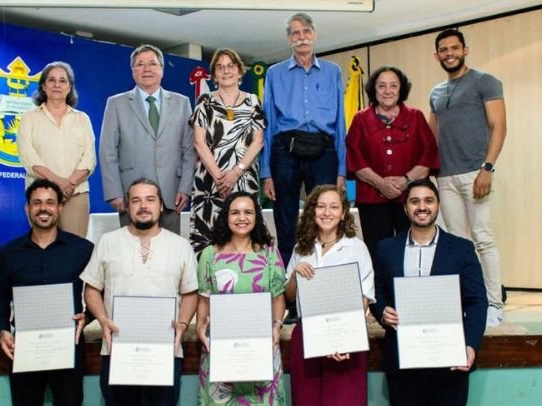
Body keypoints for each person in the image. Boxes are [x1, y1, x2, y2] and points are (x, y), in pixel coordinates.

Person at [370, 178, 488, 406]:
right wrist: (382, 311)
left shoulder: (462, 249)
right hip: (403, 361)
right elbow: (377, 292)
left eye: (428, 201)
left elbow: (477, 301)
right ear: (405, 208)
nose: (422, 207)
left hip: (450, 361)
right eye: (414, 201)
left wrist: (470, 345)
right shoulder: (386, 248)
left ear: (438, 205)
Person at [81, 177, 198, 406]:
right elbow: (91, 289)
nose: (143, 206)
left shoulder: (180, 246)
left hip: (165, 351)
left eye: (150, 200)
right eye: (136, 200)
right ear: (127, 206)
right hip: (117, 350)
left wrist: (183, 324)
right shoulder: (108, 242)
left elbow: (190, 293)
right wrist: (102, 319)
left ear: (161, 205)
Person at [0, 178, 95, 406]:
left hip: (68, 345)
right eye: (37, 203)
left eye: (50, 202)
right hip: (25, 347)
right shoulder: (10, 253)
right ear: (27, 208)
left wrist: (88, 316)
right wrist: (3, 329)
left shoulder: (83, 249)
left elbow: (100, 293)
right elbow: (0, 296)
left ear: (60, 207)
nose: (43, 208)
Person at [427, 28, 508, 327]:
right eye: (443, 50)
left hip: (476, 172)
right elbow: (432, 137)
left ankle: (494, 304)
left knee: (483, 239)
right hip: (445, 177)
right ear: (436, 55)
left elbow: (499, 126)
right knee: (459, 244)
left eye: (454, 48)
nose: (449, 54)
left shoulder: (485, 81)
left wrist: (488, 168)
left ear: (465, 50)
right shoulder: (435, 93)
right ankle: (468, 301)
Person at [261, 12, 347, 267]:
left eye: (306, 31)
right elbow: (269, 123)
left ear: (314, 35)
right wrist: (266, 172)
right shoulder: (274, 73)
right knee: (285, 218)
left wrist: (341, 170)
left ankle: (325, 272)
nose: (302, 37)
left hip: (324, 149)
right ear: (289, 39)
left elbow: (340, 123)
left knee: (325, 215)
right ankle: (289, 279)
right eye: (295, 33)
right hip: (284, 149)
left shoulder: (332, 71)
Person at [194, 192, 289, 406]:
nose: (242, 218)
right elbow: (204, 299)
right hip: (221, 347)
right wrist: (199, 328)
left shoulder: (269, 253)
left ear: (257, 217)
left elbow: (278, 298)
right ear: (226, 217)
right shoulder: (209, 254)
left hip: (262, 345)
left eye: (248, 212)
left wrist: (277, 326)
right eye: (235, 212)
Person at [284, 185, 375, 406]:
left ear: (343, 213)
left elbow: (364, 297)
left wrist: (346, 339)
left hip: (345, 338)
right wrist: (294, 275)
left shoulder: (356, 248)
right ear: (312, 211)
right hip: (307, 335)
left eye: (334, 207)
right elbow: (290, 296)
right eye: (321, 206)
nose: (327, 212)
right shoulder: (301, 247)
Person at [346, 65, 440, 262]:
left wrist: (406, 181)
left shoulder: (416, 116)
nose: (387, 91)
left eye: (393, 86)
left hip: (411, 198)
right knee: (377, 253)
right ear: (374, 89)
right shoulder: (360, 118)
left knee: (413, 250)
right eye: (381, 86)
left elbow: (429, 155)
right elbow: (354, 157)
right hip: (371, 200)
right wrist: (380, 183)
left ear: (401, 89)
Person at [100, 44, 197, 233]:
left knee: (168, 248)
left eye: (152, 63)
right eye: (140, 64)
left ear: (162, 69)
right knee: (132, 248)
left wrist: (185, 188)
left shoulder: (182, 103)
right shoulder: (116, 104)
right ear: (132, 70)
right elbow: (108, 151)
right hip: (131, 196)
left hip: (171, 194)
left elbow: (189, 151)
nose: (146, 69)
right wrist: (114, 193)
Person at [188, 48, 265, 252]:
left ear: (240, 71)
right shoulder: (204, 101)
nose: (226, 70)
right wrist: (219, 177)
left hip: (244, 179)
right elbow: (199, 142)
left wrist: (236, 173)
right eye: (220, 67)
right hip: (209, 182)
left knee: (244, 236)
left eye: (230, 66)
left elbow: (258, 141)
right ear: (214, 74)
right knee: (208, 237)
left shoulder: (253, 101)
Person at [17, 61, 97, 238]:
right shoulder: (29, 118)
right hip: (41, 195)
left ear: (69, 88)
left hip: (76, 194)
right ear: (43, 86)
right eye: (51, 80)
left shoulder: (82, 119)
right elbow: (29, 158)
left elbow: (89, 159)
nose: (57, 85)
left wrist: (70, 184)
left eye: (62, 81)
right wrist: (58, 184)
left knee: (74, 249)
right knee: (43, 246)